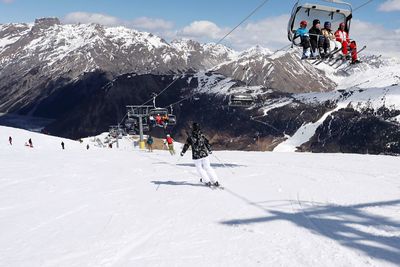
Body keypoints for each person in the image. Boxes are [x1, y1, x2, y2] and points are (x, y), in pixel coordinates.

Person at [180, 122, 220, 187]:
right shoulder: (202, 136)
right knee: (208, 167)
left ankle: (207, 181)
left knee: (200, 169)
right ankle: (215, 181)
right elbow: (207, 143)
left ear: (193, 128)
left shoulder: (190, 137)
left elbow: (186, 145)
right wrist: (209, 150)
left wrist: (183, 152)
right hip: (204, 154)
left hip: (196, 156)